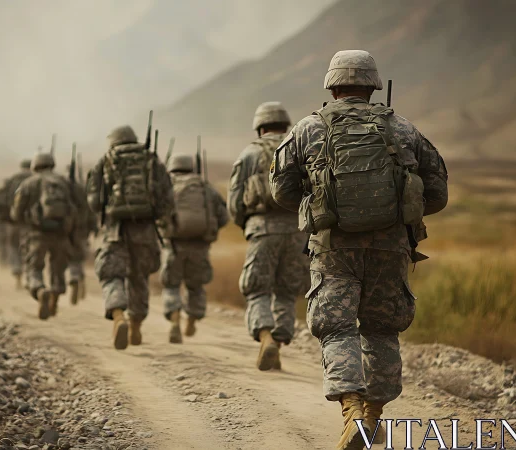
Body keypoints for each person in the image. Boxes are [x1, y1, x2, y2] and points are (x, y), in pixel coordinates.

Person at [269, 50, 449, 450]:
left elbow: (281, 192)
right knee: (382, 329)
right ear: (373, 86)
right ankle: (372, 414)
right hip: (391, 247)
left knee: (336, 328)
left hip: (333, 247)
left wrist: (320, 202)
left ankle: (350, 409)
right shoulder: (403, 129)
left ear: (331, 86)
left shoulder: (308, 128)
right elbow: (437, 192)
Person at [227, 101, 309, 371]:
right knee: (286, 291)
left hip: (261, 229)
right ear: (286, 125)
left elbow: (235, 200)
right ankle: (279, 341)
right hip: (298, 229)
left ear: (259, 127)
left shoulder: (249, 154)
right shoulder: (300, 147)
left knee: (257, 289)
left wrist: (247, 224)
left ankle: (265, 337)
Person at [87, 125, 174, 350]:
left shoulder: (105, 161)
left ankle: (118, 316)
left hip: (115, 229)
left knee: (111, 274)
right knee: (140, 276)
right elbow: (167, 198)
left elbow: (94, 202)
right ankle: (136, 324)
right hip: (145, 229)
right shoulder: (151, 159)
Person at [159, 153, 228, 343]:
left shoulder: (166, 187)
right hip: (200, 245)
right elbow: (223, 216)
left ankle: (174, 320)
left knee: (171, 285)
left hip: (173, 244)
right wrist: (209, 230)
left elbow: (158, 214)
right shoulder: (206, 188)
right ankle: (191, 319)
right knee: (195, 286)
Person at [11, 153, 79, 320]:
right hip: (60, 233)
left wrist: (23, 222)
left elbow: (17, 212)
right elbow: (74, 207)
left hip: (36, 233)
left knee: (34, 268)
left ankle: (40, 291)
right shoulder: (62, 182)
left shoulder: (27, 184)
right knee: (58, 269)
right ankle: (54, 300)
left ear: (35, 166)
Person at [0, 159, 32, 288]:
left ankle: (17, 273)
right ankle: (31, 278)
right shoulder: (37, 179)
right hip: (33, 224)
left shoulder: (13, 180)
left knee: (14, 247)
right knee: (30, 250)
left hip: (14, 221)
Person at [66, 161, 97, 305]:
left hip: (65, 229)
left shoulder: (61, 188)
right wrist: (93, 227)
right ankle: (79, 278)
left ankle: (73, 277)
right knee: (78, 257)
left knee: (69, 256)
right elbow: (90, 210)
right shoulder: (82, 190)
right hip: (81, 229)